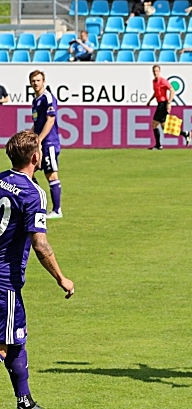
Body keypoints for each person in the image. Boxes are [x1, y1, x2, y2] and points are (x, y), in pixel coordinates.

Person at [0, 131, 75, 409]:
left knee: (16, 335)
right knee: (4, 344)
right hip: (4, 281)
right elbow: (40, 244)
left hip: (6, 282)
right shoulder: (34, 193)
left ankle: (25, 402)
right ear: (35, 157)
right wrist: (61, 277)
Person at [28, 71, 62, 219]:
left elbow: (50, 120)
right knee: (29, 170)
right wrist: (29, 136)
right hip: (40, 142)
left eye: (38, 80)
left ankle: (57, 210)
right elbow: (37, 123)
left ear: (44, 81)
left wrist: (39, 140)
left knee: (51, 174)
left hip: (50, 143)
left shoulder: (48, 97)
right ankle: (37, 202)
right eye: (33, 81)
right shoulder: (35, 101)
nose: (36, 83)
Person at [145, 65, 191, 150]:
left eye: (157, 71)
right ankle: (185, 134)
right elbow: (156, 93)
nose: (155, 73)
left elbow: (172, 90)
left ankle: (158, 145)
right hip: (159, 103)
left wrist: (169, 102)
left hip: (163, 104)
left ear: (160, 71)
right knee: (164, 127)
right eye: (154, 71)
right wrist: (150, 100)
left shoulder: (163, 81)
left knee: (154, 124)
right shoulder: (154, 81)